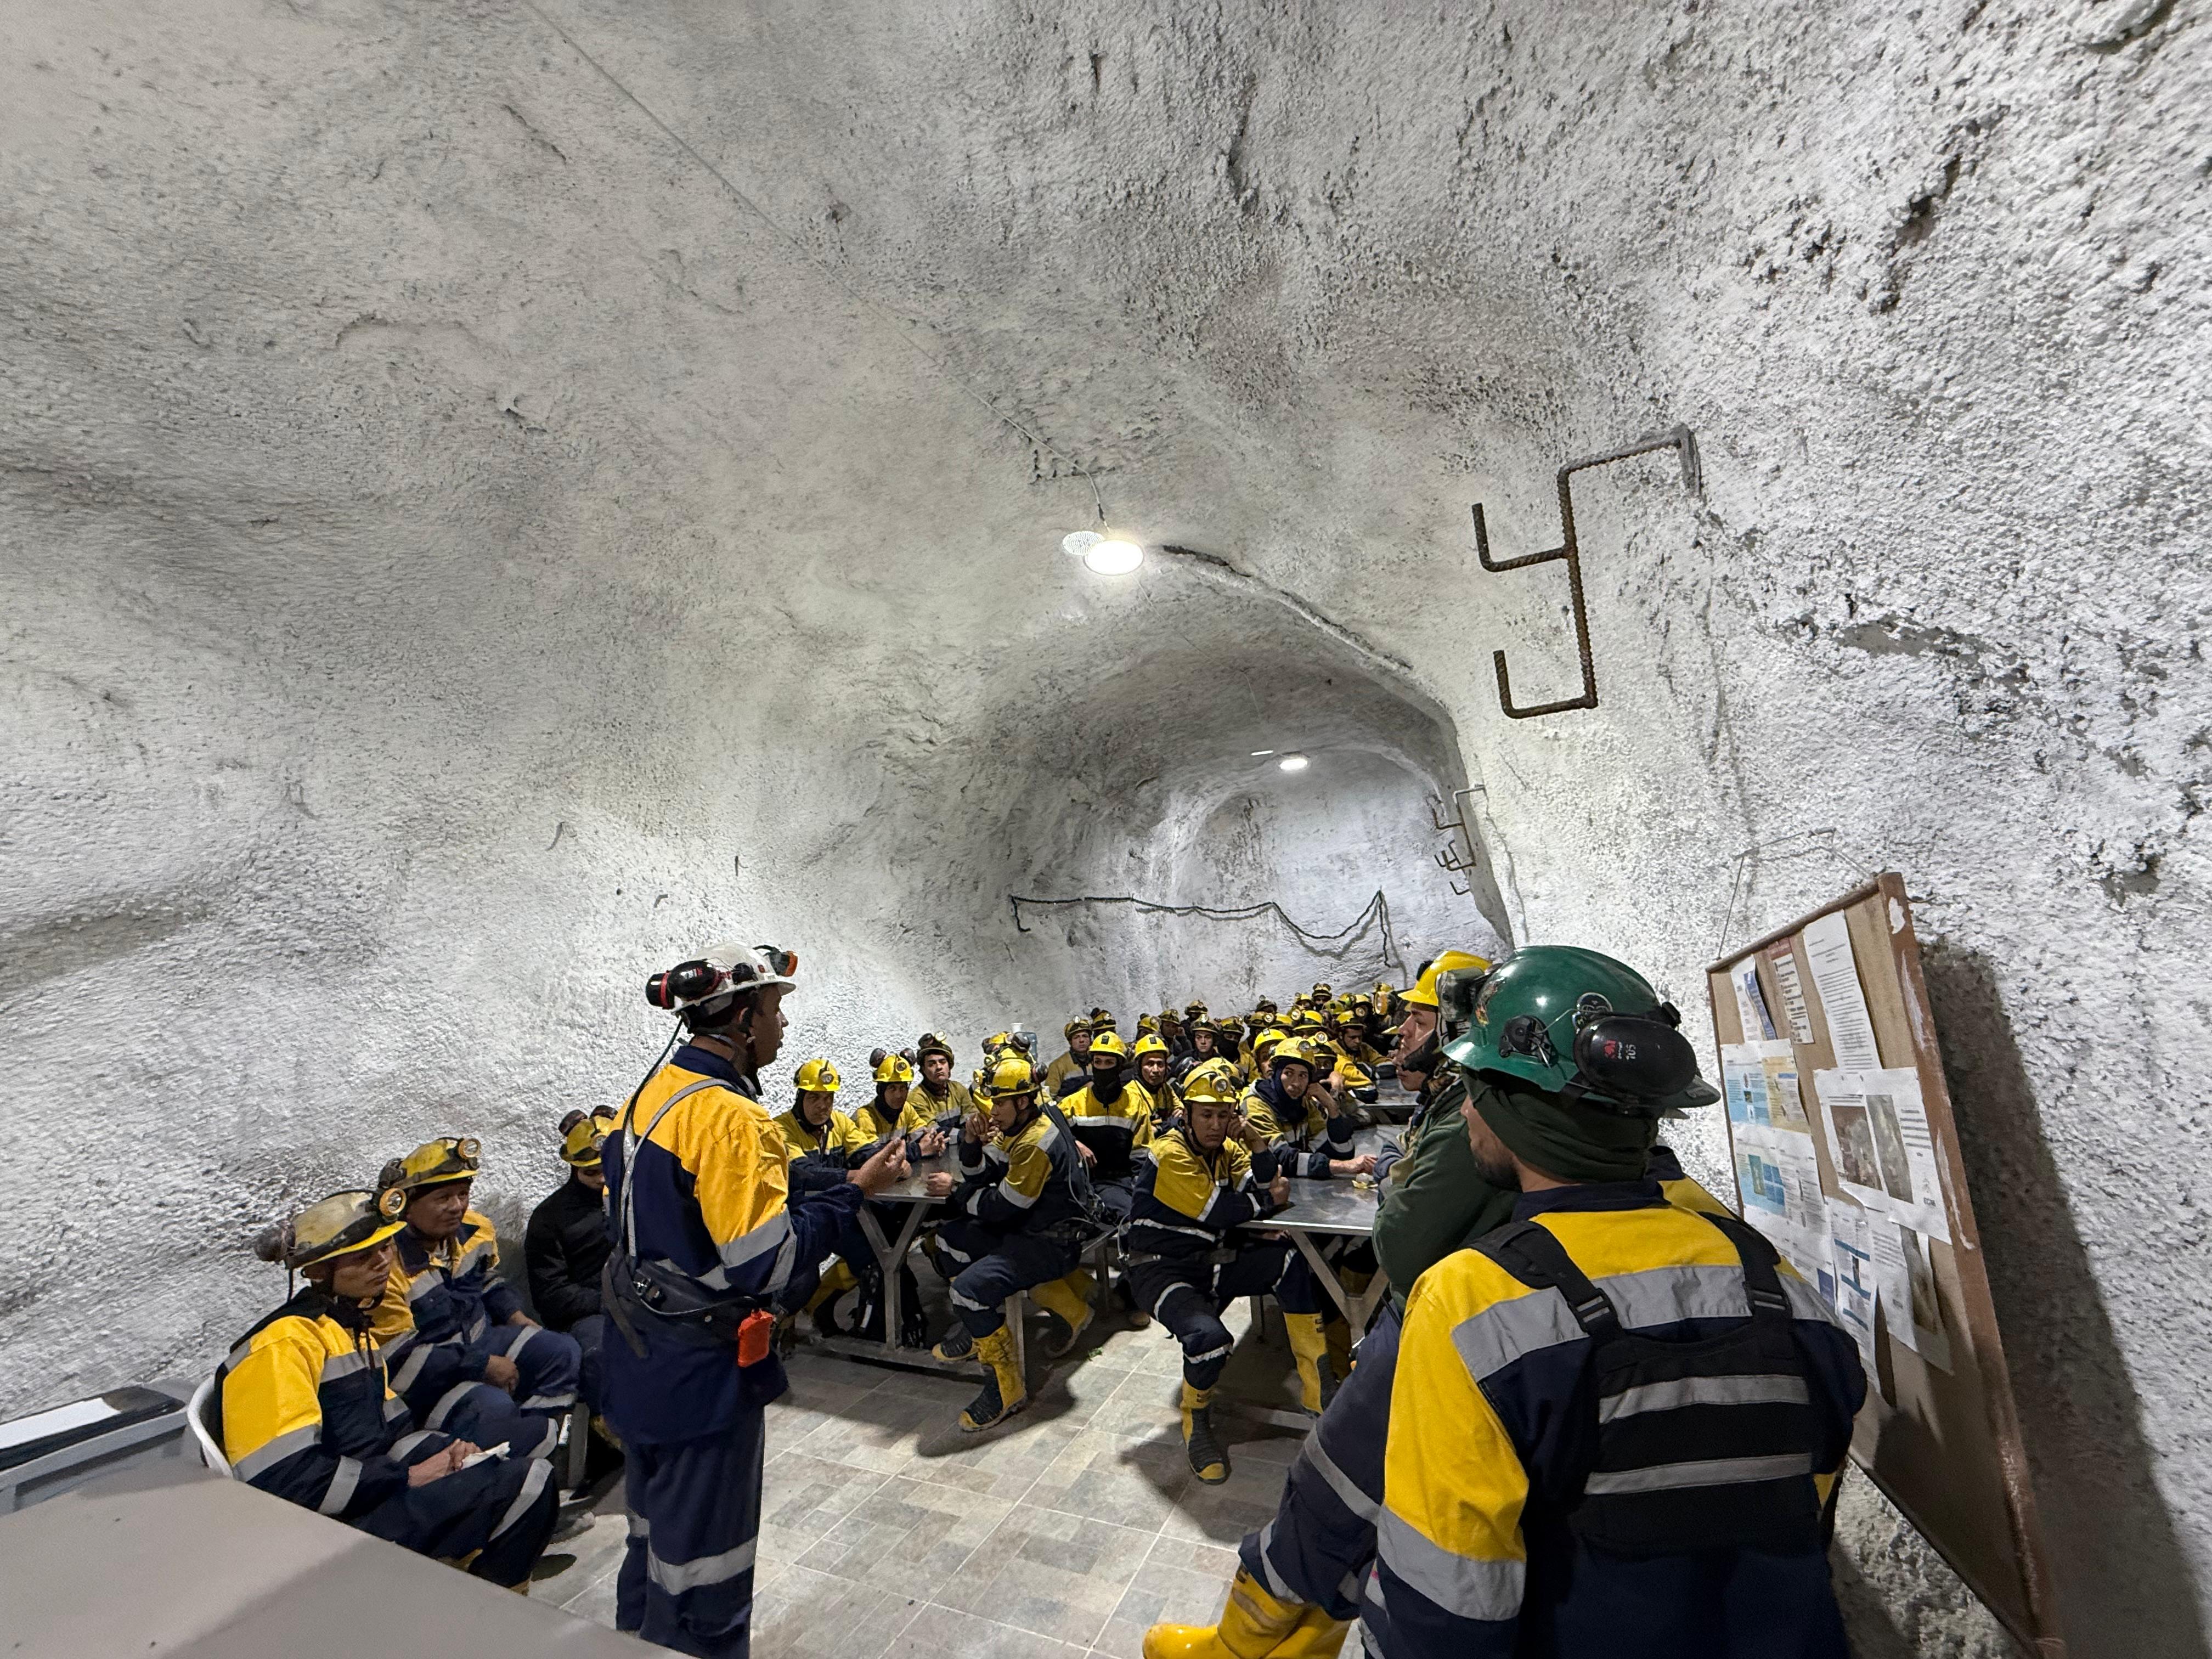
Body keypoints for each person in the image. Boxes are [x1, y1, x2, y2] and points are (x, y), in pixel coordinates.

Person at [1147, 945, 1833, 1659]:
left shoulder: (1476, 1302)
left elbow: (1445, 1610)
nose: (1464, 1103)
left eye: (1476, 1082)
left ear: (1511, 1104)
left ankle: (1244, 1645)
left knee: (1341, 1490)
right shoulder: (1780, 1284)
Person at [601, 941, 906, 1656]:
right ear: (741, 1020)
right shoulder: (734, 1120)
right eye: (774, 1011)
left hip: (640, 1357)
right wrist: (856, 1199)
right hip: (701, 1379)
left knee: (650, 1541)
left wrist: (844, 1183)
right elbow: (774, 1267)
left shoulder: (649, 1095)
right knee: (707, 1569)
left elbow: (695, 1212)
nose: (782, 1027)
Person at [225, 1187, 557, 1588]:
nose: (382, 1263)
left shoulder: (348, 1325)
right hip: (333, 1530)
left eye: (384, 1249)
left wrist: (450, 1453)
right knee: (531, 1482)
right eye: (363, 1257)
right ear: (317, 1271)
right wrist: (408, 1477)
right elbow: (284, 1480)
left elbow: (390, 1427)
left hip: (370, 1488)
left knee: (511, 1451)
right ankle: (485, 1614)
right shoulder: (283, 1344)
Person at [1125, 1068, 1292, 1484]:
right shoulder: (1170, 1153)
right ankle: (1195, 1421)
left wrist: (1254, 1140)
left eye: (1223, 1115)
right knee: (1210, 1340)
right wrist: (1265, 1204)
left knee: (1291, 1262)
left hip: (1207, 1259)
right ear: (1187, 1115)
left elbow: (1263, 1180)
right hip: (1158, 1267)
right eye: (1206, 1115)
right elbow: (1223, 1210)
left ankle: (1317, 1382)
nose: (1216, 1125)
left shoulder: (1227, 1148)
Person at [370, 1136, 582, 1462]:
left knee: (560, 1350)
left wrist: (517, 1317)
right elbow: (398, 1361)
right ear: (408, 1205)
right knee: (492, 1408)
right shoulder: (386, 1264)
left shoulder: (475, 1230)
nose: (457, 1206)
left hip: (479, 1343)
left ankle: (545, 1450)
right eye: (443, 1197)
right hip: (427, 1380)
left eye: (463, 1194)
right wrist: (482, 1365)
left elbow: (487, 1282)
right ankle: (501, 1469)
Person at [922, 1054, 1095, 1427]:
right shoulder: (1022, 1128)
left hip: (1048, 1243)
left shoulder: (1035, 1142)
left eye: (999, 1102)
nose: (992, 1110)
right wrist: (970, 1140)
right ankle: (980, 1331)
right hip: (1029, 1228)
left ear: (1022, 1101)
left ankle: (1005, 1387)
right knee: (949, 1239)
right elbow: (982, 1172)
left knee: (968, 1290)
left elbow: (1002, 1206)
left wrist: (955, 1193)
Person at [524, 1108, 616, 1418]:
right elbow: (551, 1296)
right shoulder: (550, 1218)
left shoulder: (633, 1198)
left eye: (608, 1167)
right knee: (602, 1355)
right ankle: (619, 1433)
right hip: (587, 1314)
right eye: (591, 1172)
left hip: (637, 1299)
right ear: (573, 1167)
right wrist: (611, 1303)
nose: (602, 1178)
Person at [1060, 1029, 1157, 1219]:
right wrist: (1074, 1143)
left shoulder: (1134, 1106)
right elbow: (1046, 1127)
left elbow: (1142, 1159)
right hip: (1080, 1183)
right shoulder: (1073, 1104)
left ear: (1120, 1067)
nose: (1103, 1068)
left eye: (1109, 1063)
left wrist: (1140, 1198)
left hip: (1118, 1184)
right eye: (1098, 1062)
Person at [854, 1052, 951, 1158]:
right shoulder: (865, 1117)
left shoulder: (906, 1109)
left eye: (903, 1088)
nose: (899, 1095)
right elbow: (874, 1157)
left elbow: (922, 1134)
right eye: (892, 1088)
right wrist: (918, 1150)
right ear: (880, 1090)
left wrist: (934, 1142)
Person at [911, 1032, 975, 1125]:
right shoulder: (916, 1099)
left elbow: (971, 1114)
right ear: (924, 1070)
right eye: (931, 1064)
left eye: (943, 1062)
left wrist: (978, 1127)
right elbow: (933, 1133)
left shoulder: (958, 1089)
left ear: (949, 1066)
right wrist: (966, 1135)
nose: (939, 1067)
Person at [1042, 1019, 1094, 1095]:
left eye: (1085, 1036)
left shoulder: (1098, 1061)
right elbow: (1050, 1097)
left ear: (1090, 1039)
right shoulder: (1057, 1066)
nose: (1081, 1040)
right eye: (1076, 1037)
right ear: (1070, 1042)